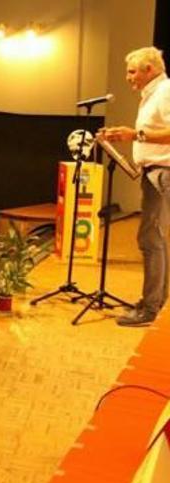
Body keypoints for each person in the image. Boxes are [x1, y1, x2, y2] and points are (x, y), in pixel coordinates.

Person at [101, 47, 170, 325]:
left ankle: (149, 309)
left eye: (132, 71)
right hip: (155, 173)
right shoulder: (153, 94)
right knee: (156, 239)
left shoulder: (165, 92)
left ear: (149, 70)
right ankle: (156, 301)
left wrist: (136, 135)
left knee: (150, 240)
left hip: (164, 172)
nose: (128, 77)